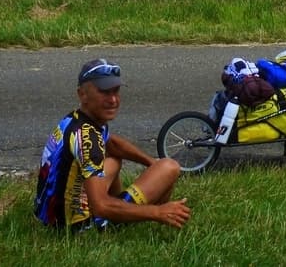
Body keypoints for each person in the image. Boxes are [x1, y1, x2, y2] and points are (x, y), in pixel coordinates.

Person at [33, 58, 191, 232]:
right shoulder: (89, 141)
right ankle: (117, 216)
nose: (114, 100)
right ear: (82, 94)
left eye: (116, 91)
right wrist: (157, 212)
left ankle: (119, 205)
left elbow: (112, 144)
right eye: (104, 92)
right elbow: (100, 206)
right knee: (169, 167)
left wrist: (151, 163)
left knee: (114, 159)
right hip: (76, 229)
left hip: (50, 216)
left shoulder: (76, 120)